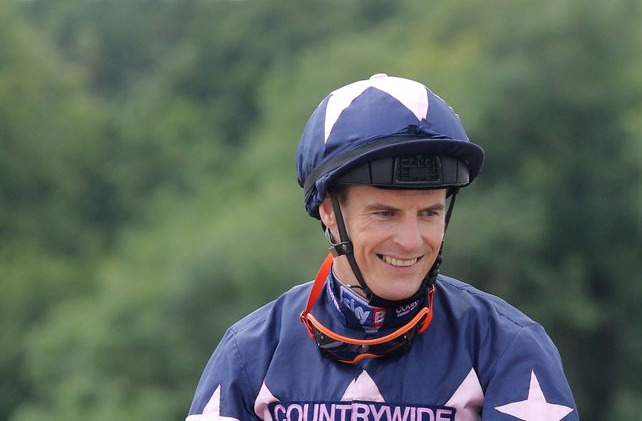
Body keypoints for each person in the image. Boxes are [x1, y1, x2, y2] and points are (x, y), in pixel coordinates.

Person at [186, 74, 579, 421]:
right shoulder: (250, 353)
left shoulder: (506, 346)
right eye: (385, 214)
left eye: (429, 213)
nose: (410, 241)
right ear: (329, 211)